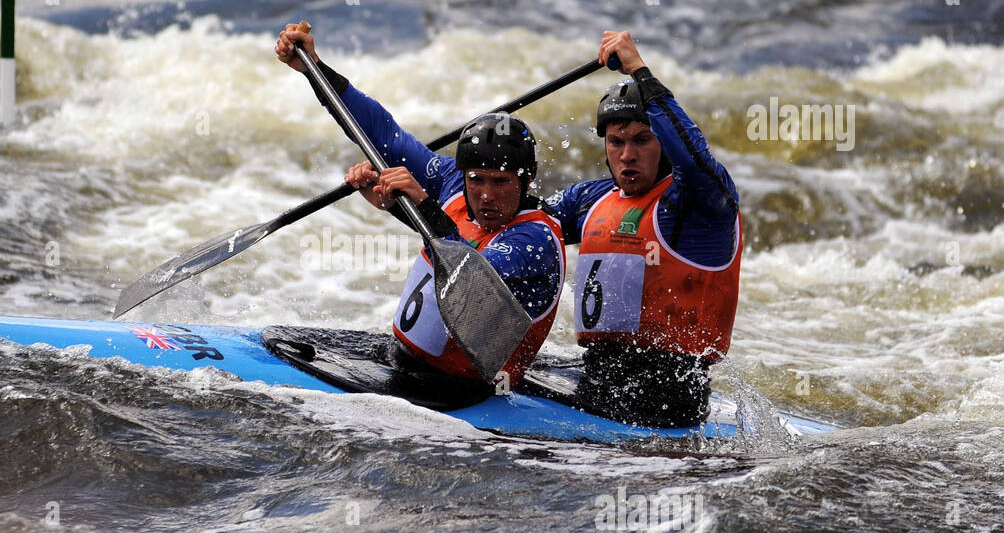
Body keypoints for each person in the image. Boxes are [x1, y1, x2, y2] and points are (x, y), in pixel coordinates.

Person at [275, 24, 565, 388]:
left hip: (462, 389)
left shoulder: (535, 238)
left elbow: (470, 274)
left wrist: (421, 204)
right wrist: (314, 68)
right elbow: (383, 134)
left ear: (528, 180)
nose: (486, 195)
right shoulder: (452, 182)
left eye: (501, 182)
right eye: (477, 180)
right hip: (405, 359)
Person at [547, 31, 741, 427]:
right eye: (616, 142)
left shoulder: (697, 205)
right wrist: (410, 196)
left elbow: (695, 160)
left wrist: (640, 71)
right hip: (601, 375)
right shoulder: (593, 200)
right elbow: (511, 218)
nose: (627, 154)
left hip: (669, 396)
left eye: (642, 140)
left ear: (664, 144)